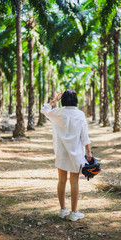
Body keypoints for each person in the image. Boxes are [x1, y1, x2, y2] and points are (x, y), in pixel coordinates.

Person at [41, 89, 92, 221]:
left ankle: (63, 210)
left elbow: (44, 109)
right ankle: (74, 213)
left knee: (61, 181)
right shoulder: (80, 114)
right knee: (74, 182)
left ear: (63, 100)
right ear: (75, 100)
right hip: (76, 153)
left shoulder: (58, 112)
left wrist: (54, 101)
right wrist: (88, 152)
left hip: (62, 152)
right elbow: (84, 136)